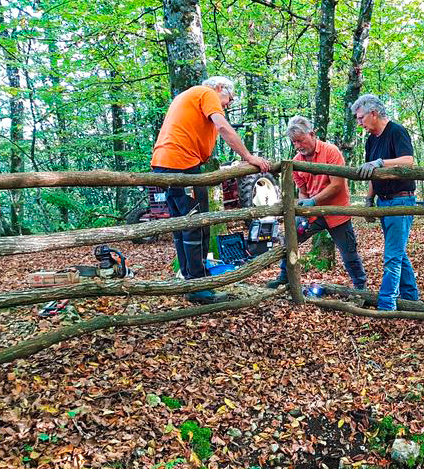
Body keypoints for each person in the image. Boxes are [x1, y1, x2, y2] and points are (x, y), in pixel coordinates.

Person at [151, 76, 270, 304]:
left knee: (181, 224)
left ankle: (189, 279)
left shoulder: (187, 96)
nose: (228, 104)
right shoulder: (206, 94)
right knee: (198, 223)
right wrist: (248, 157)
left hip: (163, 162)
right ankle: (198, 286)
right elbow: (222, 126)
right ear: (219, 88)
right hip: (182, 164)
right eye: (229, 98)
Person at [267, 116, 367, 290]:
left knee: (348, 250)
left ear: (312, 134)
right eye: (294, 142)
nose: (298, 146)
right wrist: (304, 207)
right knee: (291, 239)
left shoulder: (331, 151)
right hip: (313, 213)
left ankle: (360, 286)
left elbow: (337, 185)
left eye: (300, 140)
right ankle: (284, 277)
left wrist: (313, 201)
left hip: (337, 211)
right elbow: (303, 190)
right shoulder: (296, 161)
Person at [351, 94, 419, 310]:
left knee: (392, 257)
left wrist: (380, 162)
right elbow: (372, 173)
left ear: (374, 113)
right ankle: (410, 298)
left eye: (361, 117)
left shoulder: (396, 131)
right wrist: (369, 200)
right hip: (383, 202)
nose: (359, 122)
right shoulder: (371, 140)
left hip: (401, 201)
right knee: (398, 253)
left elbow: (408, 161)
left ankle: (386, 305)